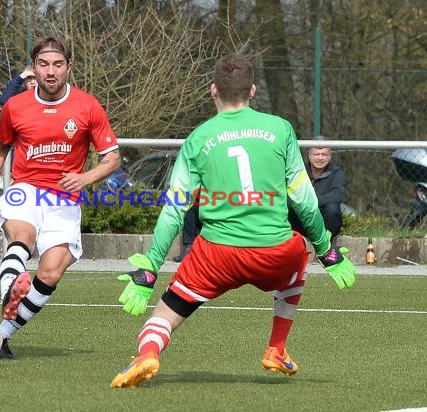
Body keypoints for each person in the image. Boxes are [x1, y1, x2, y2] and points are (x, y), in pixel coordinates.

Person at [109, 54, 356, 388]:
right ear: (252, 90)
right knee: (299, 252)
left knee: (165, 315)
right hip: (275, 251)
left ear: (214, 90)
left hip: (216, 256)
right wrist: (327, 250)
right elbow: (305, 201)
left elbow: (174, 209)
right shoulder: (280, 129)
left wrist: (151, 266)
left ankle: (148, 354)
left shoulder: (198, 138)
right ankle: (276, 348)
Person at [0, 35, 121, 359]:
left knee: (50, 272)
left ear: (69, 67)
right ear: (34, 68)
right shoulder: (16, 106)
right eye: (44, 64)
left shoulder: (87, 106)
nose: (51, 72)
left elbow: (112, 157)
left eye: (58, 64)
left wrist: (86, 177)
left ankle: (1, 335)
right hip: (25, 190)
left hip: (64, 199)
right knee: (23, 237)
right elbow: (0, 148)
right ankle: (11, 288)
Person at [288, 144, 345, 242]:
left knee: (332, 208)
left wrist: (312, 201)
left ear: (330, 156)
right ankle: (290, 239)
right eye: (316, 154)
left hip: (324, 222)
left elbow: (337, 196)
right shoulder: (298, 171)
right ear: (309, 155)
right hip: (301, 218)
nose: (320, 158)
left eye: (324, 154)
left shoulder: (337, 173)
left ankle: (327, 241)